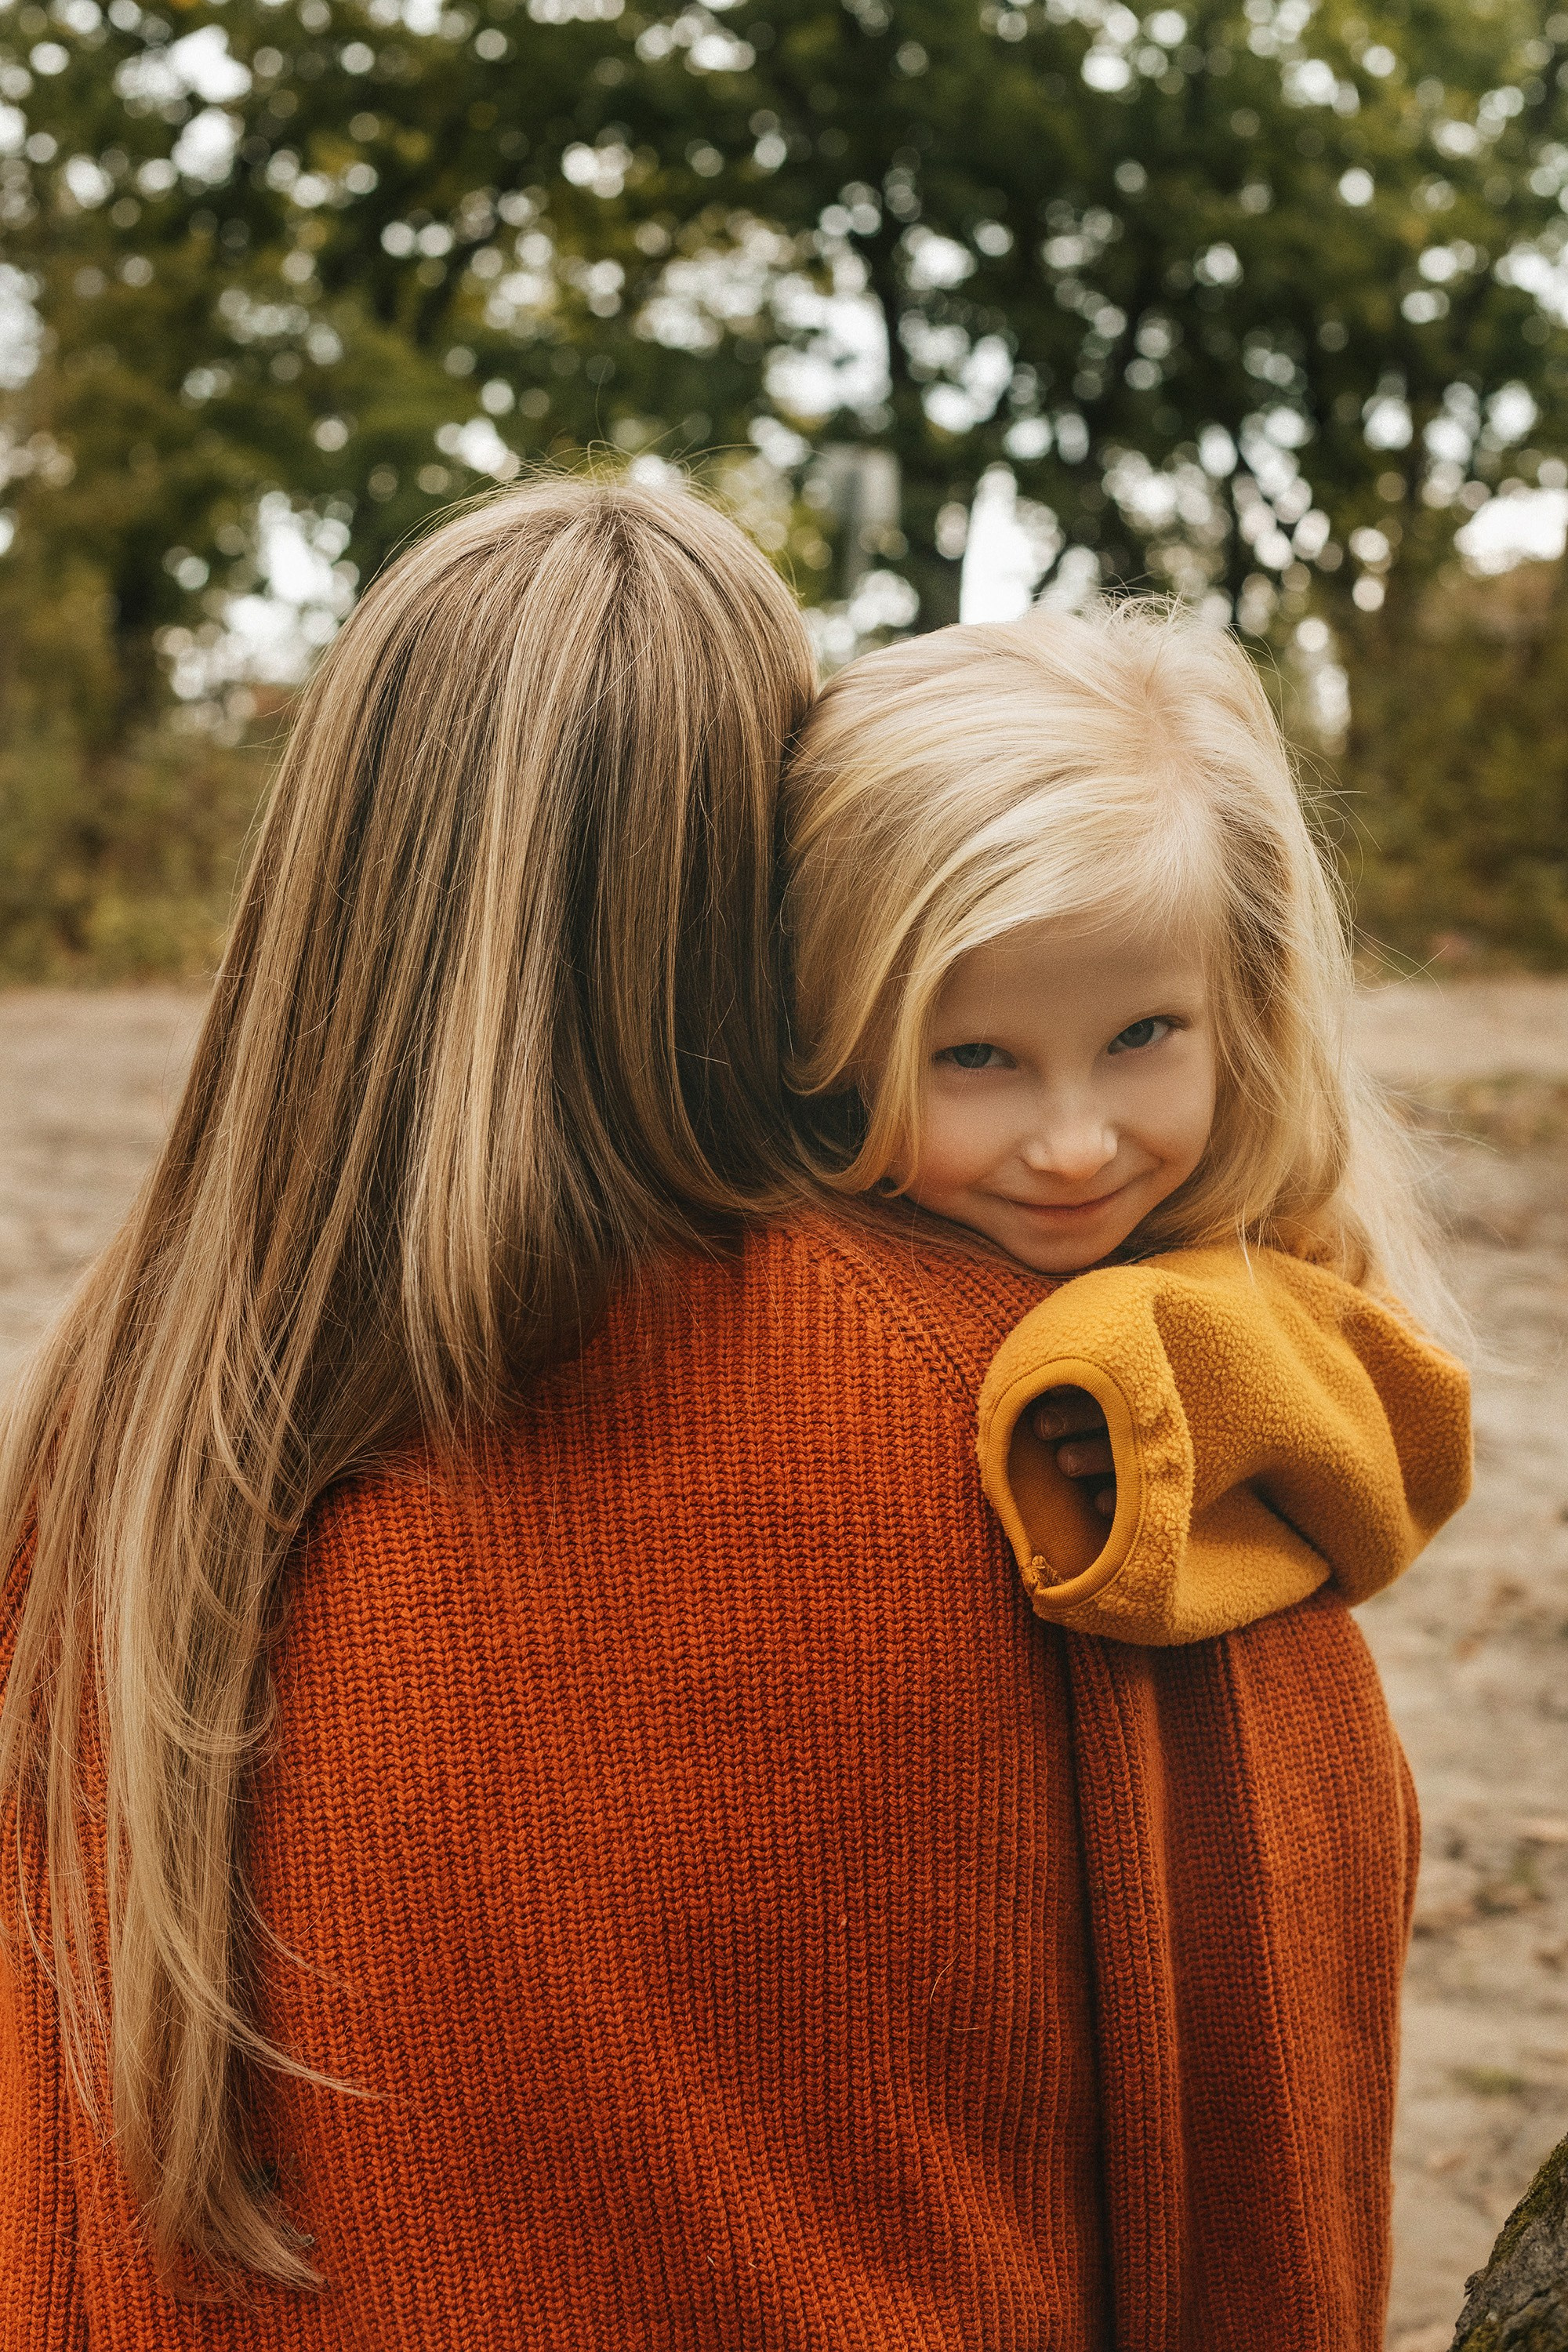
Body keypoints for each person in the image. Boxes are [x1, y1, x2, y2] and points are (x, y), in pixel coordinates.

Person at [0, 481, 1461, 2350]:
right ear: (781, 904)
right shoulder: (1043, 1419)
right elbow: (1260, 2093)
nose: (1071, 1132)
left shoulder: (110, 1429)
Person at [778, 601, 1470, 1644]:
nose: (1076, 1147)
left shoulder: (1264, 1226)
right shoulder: (775, 1251)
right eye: (975, 1056)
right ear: (829, 1035)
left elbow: (1407, 1452)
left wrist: (1196, 1369)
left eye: (1142, 1035)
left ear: (1243, 1002)